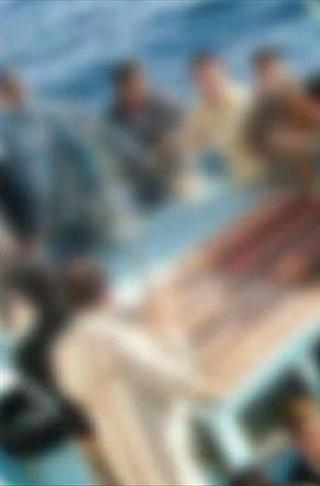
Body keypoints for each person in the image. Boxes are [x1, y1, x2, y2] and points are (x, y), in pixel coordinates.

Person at [51, 259, 208, 485]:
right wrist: (168, 328)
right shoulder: (118, 339)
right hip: (167, 468)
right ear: (106, 293)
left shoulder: (65, 353)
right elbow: (184, 381)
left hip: (130, 473)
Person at [0, 69, 106, 260]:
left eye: (15, 87)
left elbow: (81, 152)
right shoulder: (6, 136)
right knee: (67, 261)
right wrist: (24, 232)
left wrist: (94, 189)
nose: (14, 93)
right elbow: (9, 190)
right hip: (43, 222)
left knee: (96, 249)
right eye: (7, 90)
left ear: (24, 87)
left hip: (74, 205)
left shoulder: (49, 116)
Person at [245, 73, 320, 194]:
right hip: (263, 175)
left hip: (301, 180)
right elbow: (253, 139)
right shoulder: (277, 102)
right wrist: (280, 140)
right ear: (309, 100)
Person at [105, 60, 185, 208]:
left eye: (141, 81)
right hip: (141, 182)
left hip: (173, 170)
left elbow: (186, 133)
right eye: (134, 85)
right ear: (121, 89)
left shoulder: (163, 102)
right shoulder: (113, 120)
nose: (141, 87)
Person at [183, 51, 259, 185]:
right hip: (240, 180)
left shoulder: (248, 99)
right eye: (202, 80)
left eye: (213, 77)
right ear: (195, 82)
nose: (210, 84)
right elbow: (190, 146)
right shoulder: (198, 110)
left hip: (266, 174)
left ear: (224, 72)